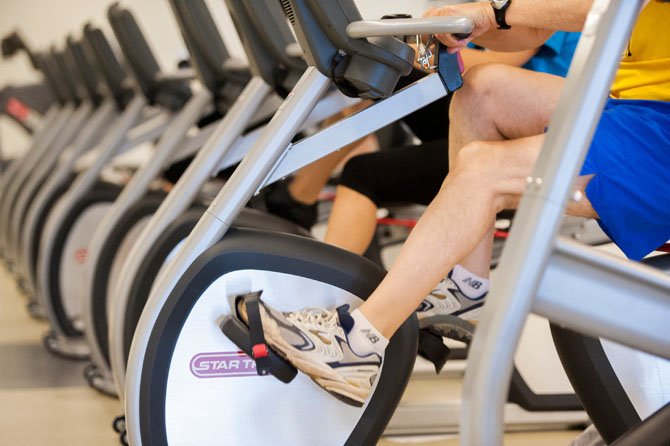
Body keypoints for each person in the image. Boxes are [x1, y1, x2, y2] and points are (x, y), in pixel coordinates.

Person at [239, 0, 670, 408]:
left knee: (483, 169)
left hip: (661, 136)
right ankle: (468, 286)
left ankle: (357, 346)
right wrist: (459, 29)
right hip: (633, 109)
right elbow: (530, 27)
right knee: (481, 90)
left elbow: (597, 8)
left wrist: (489, 12)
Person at [325, 31, 579, 256]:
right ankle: (297, 198)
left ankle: (322, 289)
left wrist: (415, 52)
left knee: (363, 174)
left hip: (520, 144)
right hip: (484, 114)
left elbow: (492, 66)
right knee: (384, 74)